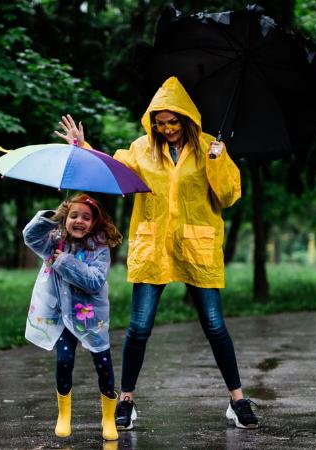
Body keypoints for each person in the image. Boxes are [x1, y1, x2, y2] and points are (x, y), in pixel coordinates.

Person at [54, 76, 259, 430]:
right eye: (160, 123)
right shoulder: (141, 150)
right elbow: (113, 173)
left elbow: (227, 196)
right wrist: (84, 148)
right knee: (139, 327)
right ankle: (126, 401)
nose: (167, 129)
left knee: (214, 326)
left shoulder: (211, 147)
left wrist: (218, 161)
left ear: (187, 119)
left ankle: (238, 400)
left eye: (173, 122)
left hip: (197, 247)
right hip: (154, 248)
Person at [23, 193, 124, 440]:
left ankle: (108, 416)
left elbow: (95, 280)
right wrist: (51, 218)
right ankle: (64, 414)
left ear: (94, 223)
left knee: (103, 365)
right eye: (74, 216)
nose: (79, 221)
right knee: (64, 360)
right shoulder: (53, 240)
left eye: (86, 218)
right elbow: (30, 236)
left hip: (91, 317)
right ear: (65, 218)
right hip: (62, 316)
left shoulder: (99, 247)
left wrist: (64, 261)